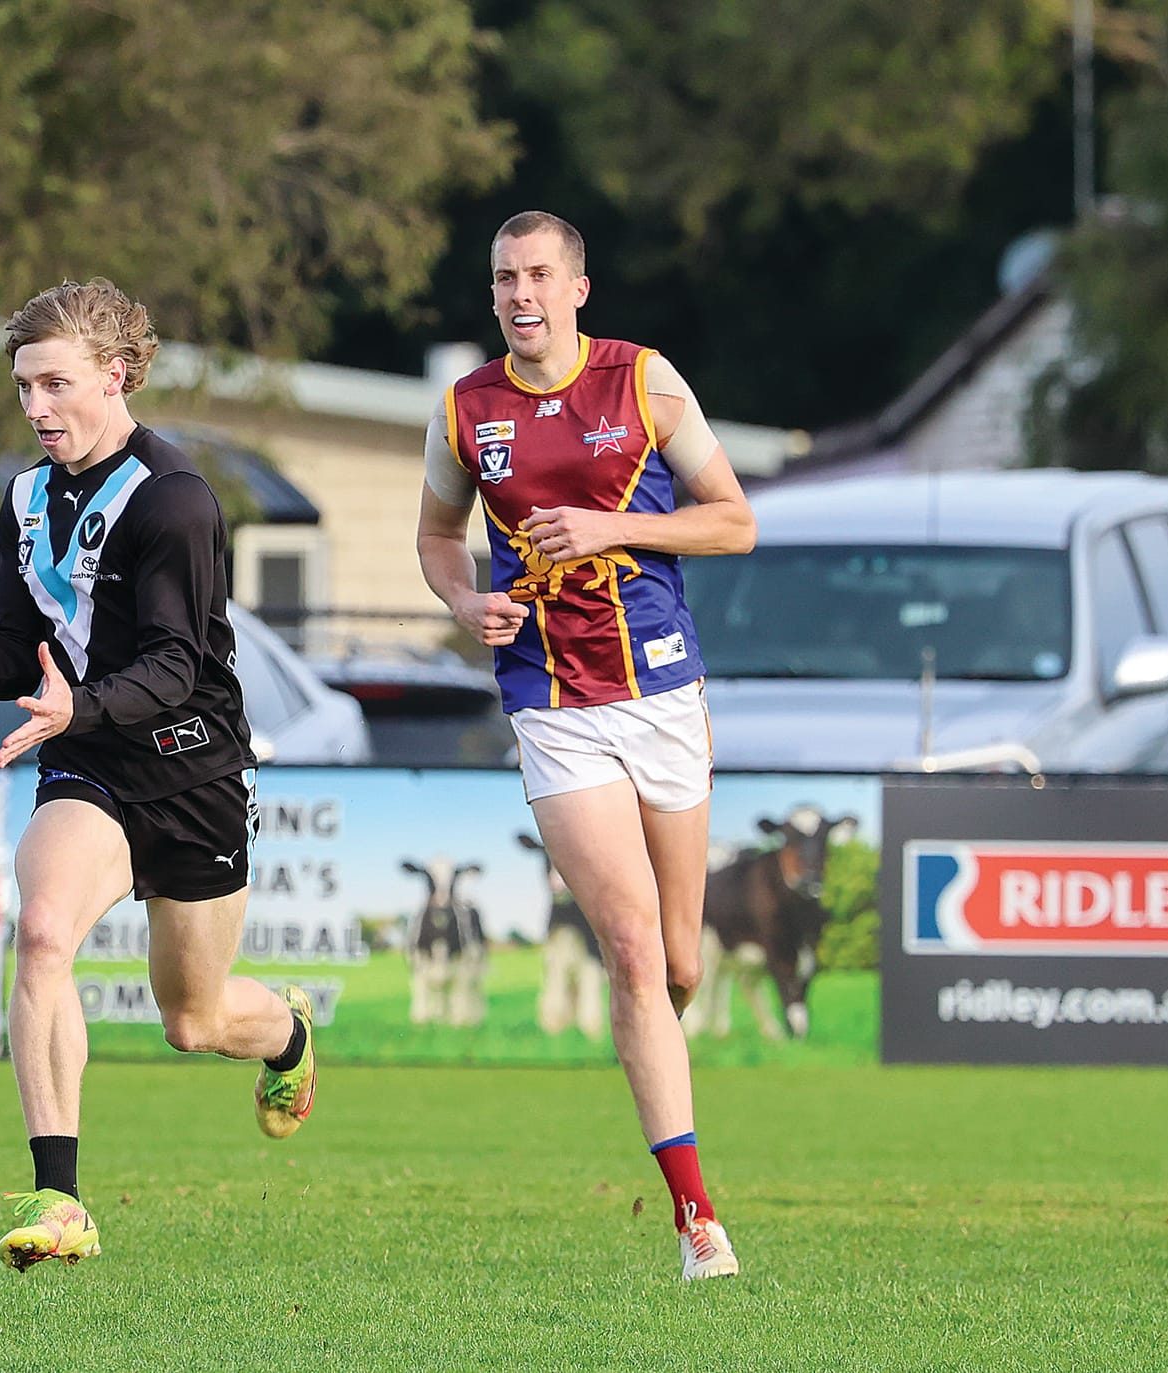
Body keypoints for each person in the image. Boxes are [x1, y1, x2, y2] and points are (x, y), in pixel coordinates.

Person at [415, 212, 757, 1279]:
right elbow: (434, 535)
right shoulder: (464, 409)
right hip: (551, 702)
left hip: (661, 688)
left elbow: (733, 520)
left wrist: (611, 528)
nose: (520, 293)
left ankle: (652, 1028)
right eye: (503, 278)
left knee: (679, 960)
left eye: (537, 275)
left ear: (577, 288)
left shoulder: (644, 381)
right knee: (628, 945)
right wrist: (465, 599)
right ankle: (697, 1217)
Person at [0, 278, 317, 1269]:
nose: (36, 407)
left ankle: (284, 1032)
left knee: (193, 1018)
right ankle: (60, 1195)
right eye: (24, 386)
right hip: (90, 768)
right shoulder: (25, 498)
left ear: (116, 375)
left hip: (192, 769)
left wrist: (81, 700)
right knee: (40, 932)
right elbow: (12, 638)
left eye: (55, 383)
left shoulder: (174, 500)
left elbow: (174, 665)